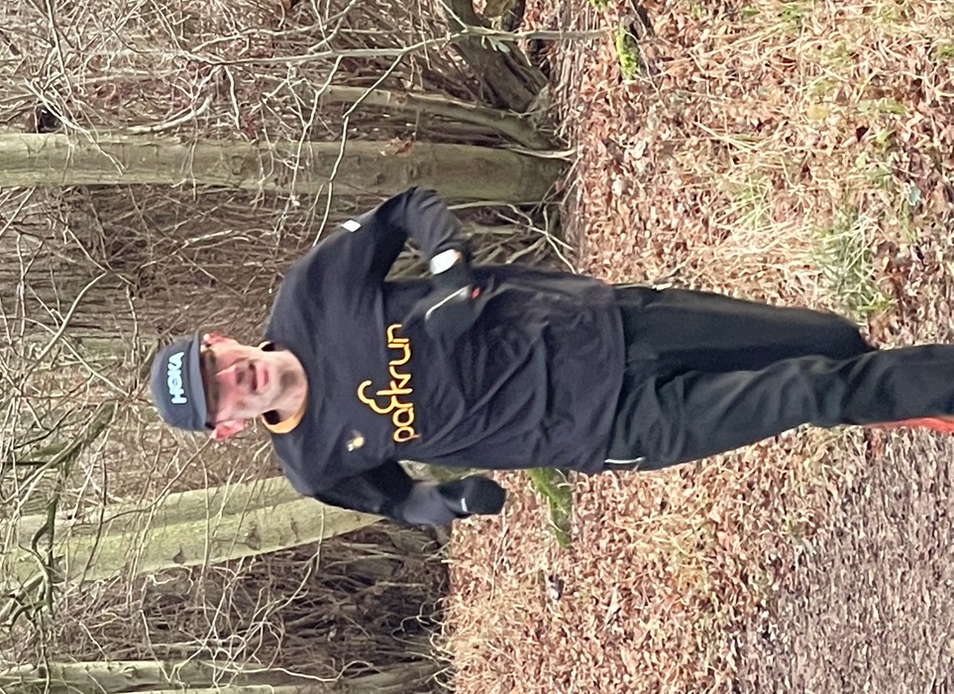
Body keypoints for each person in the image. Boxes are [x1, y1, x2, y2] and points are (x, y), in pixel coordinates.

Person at [148, 187, 954, 527]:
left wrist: (448, 271)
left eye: (215, 361)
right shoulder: (313, 464)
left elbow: (409, 208)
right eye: (218, 396)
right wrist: (452, 502)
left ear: (220, 340)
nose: (232, 378)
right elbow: (396, 502)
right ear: (225, 427)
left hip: (606, 324)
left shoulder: (310, 296)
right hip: (602, 424)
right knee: (812, 391)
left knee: (826, 341)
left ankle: (917, 399)